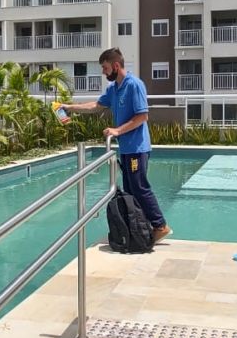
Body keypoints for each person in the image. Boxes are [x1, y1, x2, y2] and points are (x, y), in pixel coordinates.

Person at [62, 47, 171, 245]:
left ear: (116, 65)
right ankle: (140, 228)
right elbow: (96, 106)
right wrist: (70, 107)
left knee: (139, 187)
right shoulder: (114, 89)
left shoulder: (134, 85)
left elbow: (142, 116)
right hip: (127, 149)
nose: (103, 72)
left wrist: (117, 131)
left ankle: (160, 226)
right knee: (129, 189)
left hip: (137, 147)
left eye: (105, 68)